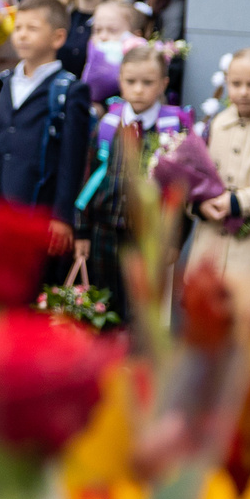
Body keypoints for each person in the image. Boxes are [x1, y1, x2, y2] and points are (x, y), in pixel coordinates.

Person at [76, 44, 192, 320]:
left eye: (147, 82)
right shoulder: (108, 124)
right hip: (104, 231)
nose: (138, 89)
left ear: (163, 83)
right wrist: (81, 231)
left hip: (149, 235)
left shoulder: (174, 128)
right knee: (103, 305)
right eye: (131, 81)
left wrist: (175, 240)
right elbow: (88, 174)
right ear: (120, 82)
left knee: (142, 309)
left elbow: (182, 191)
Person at [0, 0, 87, 275]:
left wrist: (63, 216)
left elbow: (72, 159)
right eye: (18, 27)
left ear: (57, 38)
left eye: (32, 28)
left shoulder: (70, 90)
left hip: (39, 212)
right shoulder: (2, 82)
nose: (22, 35)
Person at [191, 48, 250, 278]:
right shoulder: (213, 125)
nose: (243, 92)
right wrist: (199, 206)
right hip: (207, 257)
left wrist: (239, 201)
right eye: (236, 83)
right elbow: (189, 181)